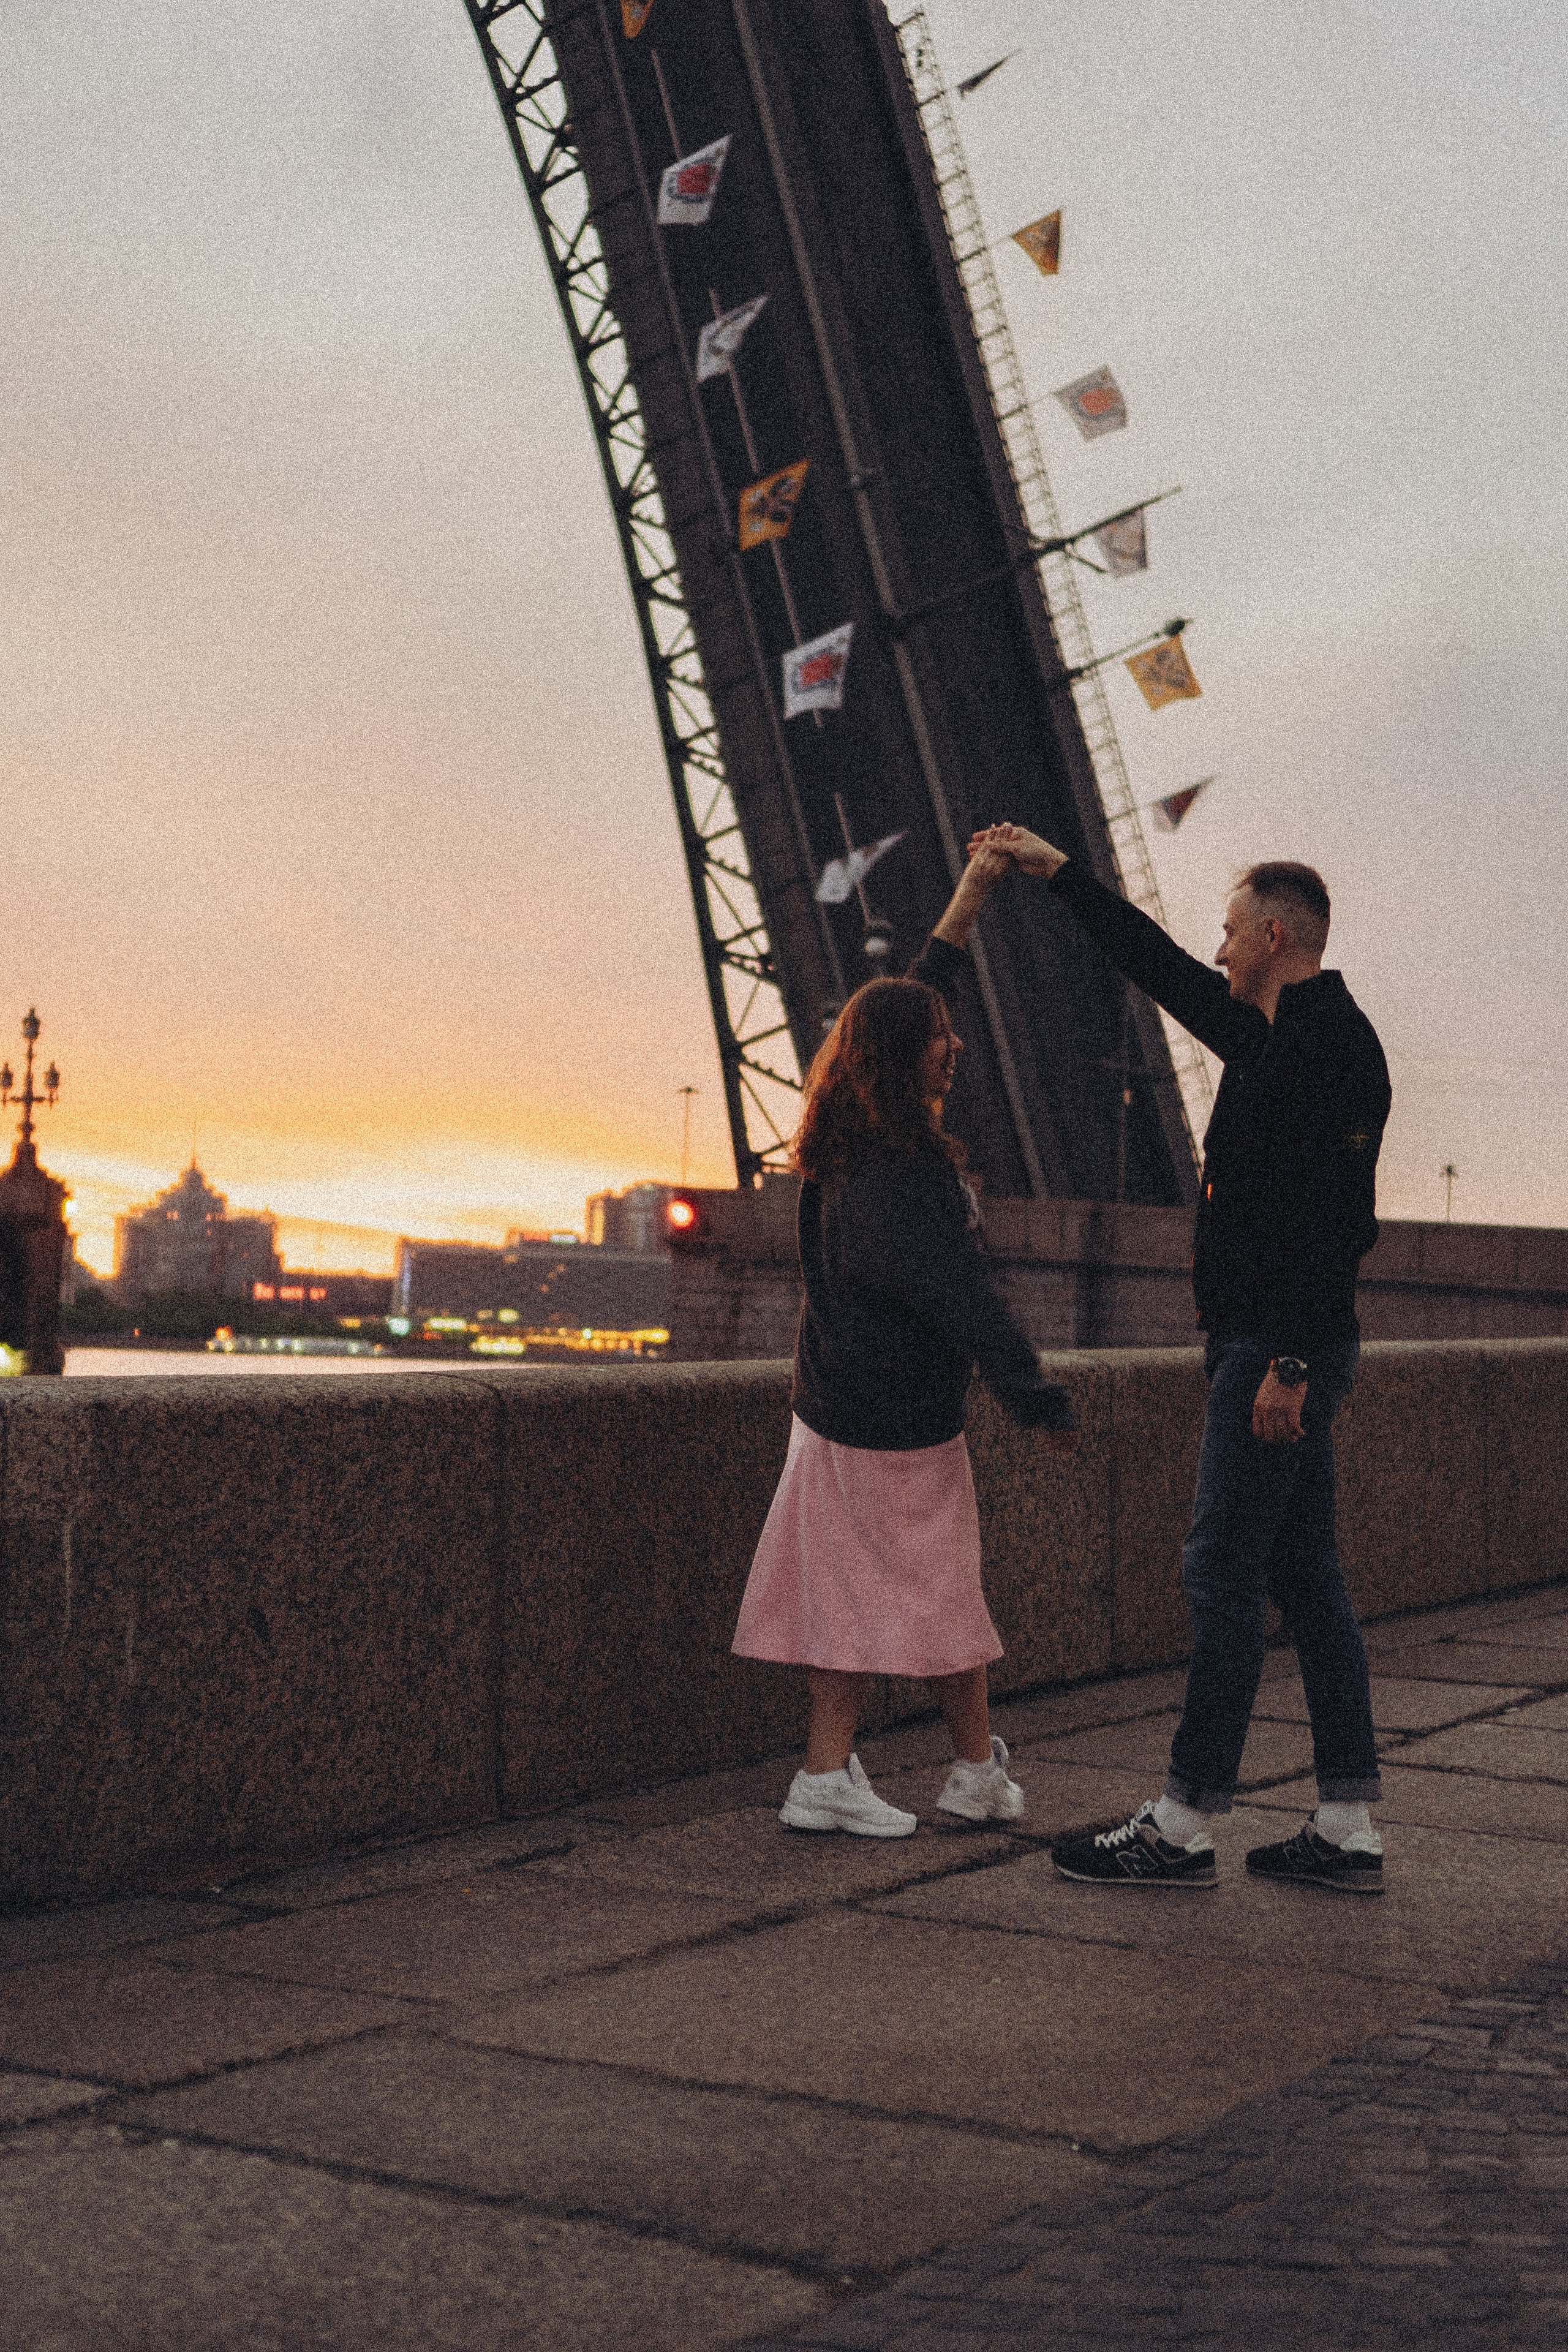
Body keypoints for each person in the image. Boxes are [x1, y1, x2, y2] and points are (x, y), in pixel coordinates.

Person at [977, 824, 1391, 1893]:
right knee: (1308, 1579)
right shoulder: (1271, 1037)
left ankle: (1182, 1819)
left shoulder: (1329, 1047)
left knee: (1220, 1572)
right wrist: (1058, 873)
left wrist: (1290, 1366)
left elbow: (1339, 1222)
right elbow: (1153, 964)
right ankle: (1346, 1822)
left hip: (1277, 1348)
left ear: (1272, 933)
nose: (1215, 951)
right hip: (1272, 1343)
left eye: (1228, 932)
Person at [733, 848, 1077, 1838]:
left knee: (915, 1596)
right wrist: (1036, 1396)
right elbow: (959, 1296)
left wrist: (970, 895)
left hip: (848, 1410)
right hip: (888, 1426)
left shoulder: (846, 1144)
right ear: (900, 1056)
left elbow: (914, 994)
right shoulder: (905, 1173)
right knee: (908, 1599)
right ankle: (856, 1775)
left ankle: (939, 1770)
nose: (955, 1047)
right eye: (940, 1039)